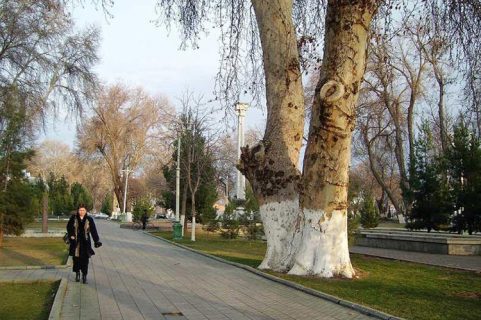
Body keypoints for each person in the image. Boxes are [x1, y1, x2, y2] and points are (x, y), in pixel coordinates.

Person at [66, 204, 102, 284]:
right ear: (78, 211)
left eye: (83, 210)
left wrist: (96, 241)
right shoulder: (74, 218)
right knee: (76, 259)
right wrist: (71, 235)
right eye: (80, 210)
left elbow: (93, 231)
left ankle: (84, 275)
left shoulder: (89, 219)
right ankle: (77, 274)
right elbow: (68, 227)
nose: (81, 212)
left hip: (85, 242)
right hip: (76, 242)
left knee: (85, 260)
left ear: (86, 211)